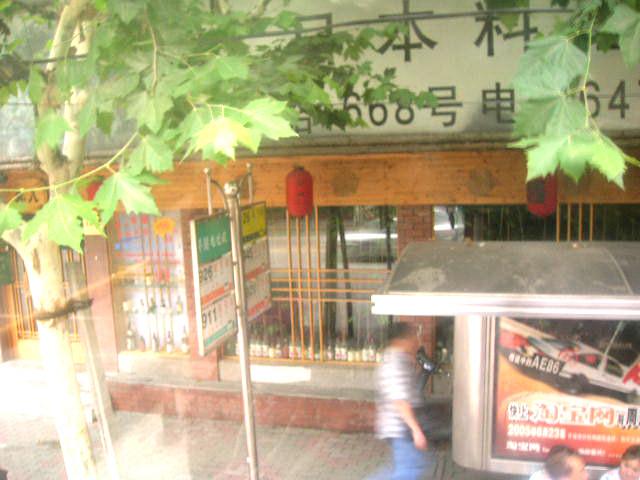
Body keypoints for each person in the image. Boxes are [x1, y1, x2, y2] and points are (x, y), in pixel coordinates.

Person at [369, 322, 430, 480]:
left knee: (409, 468)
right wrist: (416, 430)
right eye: (413, 336)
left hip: (401, 426)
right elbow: (400, 400)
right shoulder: (394, 363)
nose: (416, 340)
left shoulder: (399, 359)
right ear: (401, 340)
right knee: (407, 471)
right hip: (401, 427)